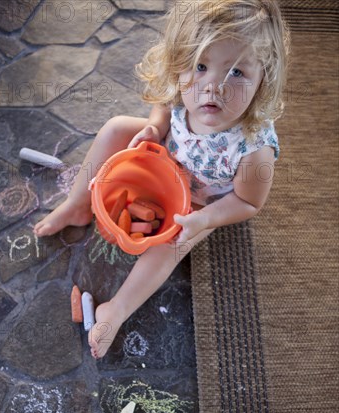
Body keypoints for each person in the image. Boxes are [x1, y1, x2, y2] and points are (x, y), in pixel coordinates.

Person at [34, 0, 290, 358]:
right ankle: (78, 204)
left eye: (236, 73)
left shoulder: (253, 146)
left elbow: (248, 201)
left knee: (167, 249)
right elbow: (166, 104)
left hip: (201, 200)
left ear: (264, 78)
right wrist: (154, 128)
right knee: (116, 128)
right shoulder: (185, 85)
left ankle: (117, 309)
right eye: (200, 66)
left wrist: (204, 219)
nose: (213, 87)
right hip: (165, 155)